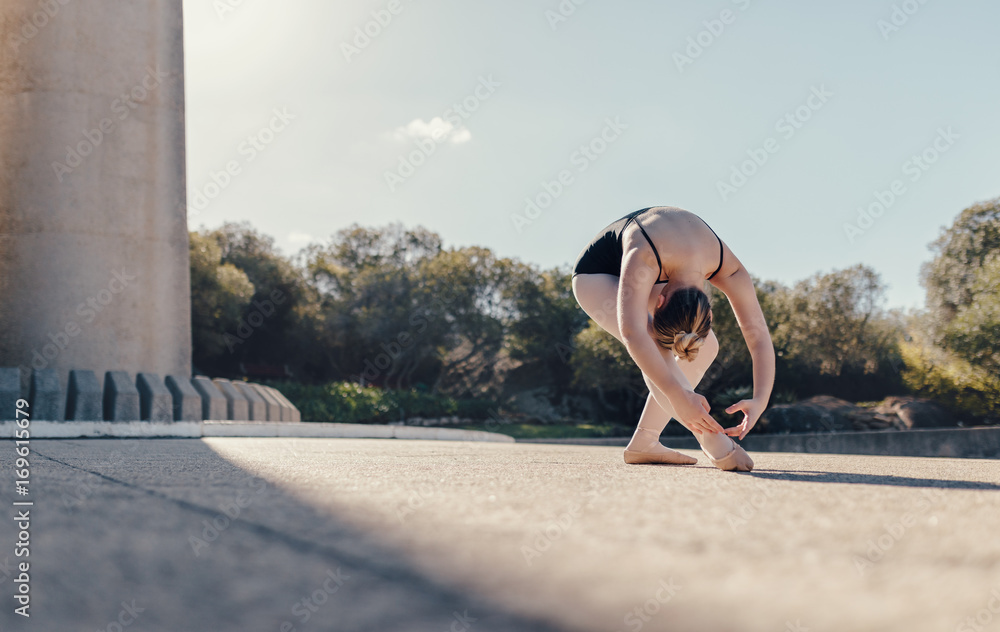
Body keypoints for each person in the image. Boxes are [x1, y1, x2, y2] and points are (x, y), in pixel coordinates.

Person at [571, 206, 775, 472]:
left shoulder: (729, 268)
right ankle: (716, 446)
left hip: (662, 265)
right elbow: (633, 333)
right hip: (597, 274)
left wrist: (761, 399)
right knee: (653, 345)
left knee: (707, 346)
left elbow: (758, 337)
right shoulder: (644, 254)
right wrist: (678, 396)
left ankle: (644, 442)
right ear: (660, 303)